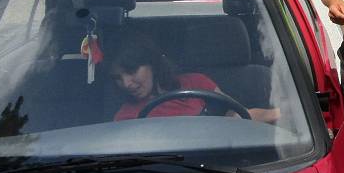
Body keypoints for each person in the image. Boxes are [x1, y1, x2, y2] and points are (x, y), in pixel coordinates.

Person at [108, 34, 280, 123]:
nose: (126, 83)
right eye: (118, 78)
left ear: (152, 63)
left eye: (131, 71)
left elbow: (237, 117)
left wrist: (282, 115)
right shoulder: (125, 118)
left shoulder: (196, 82)